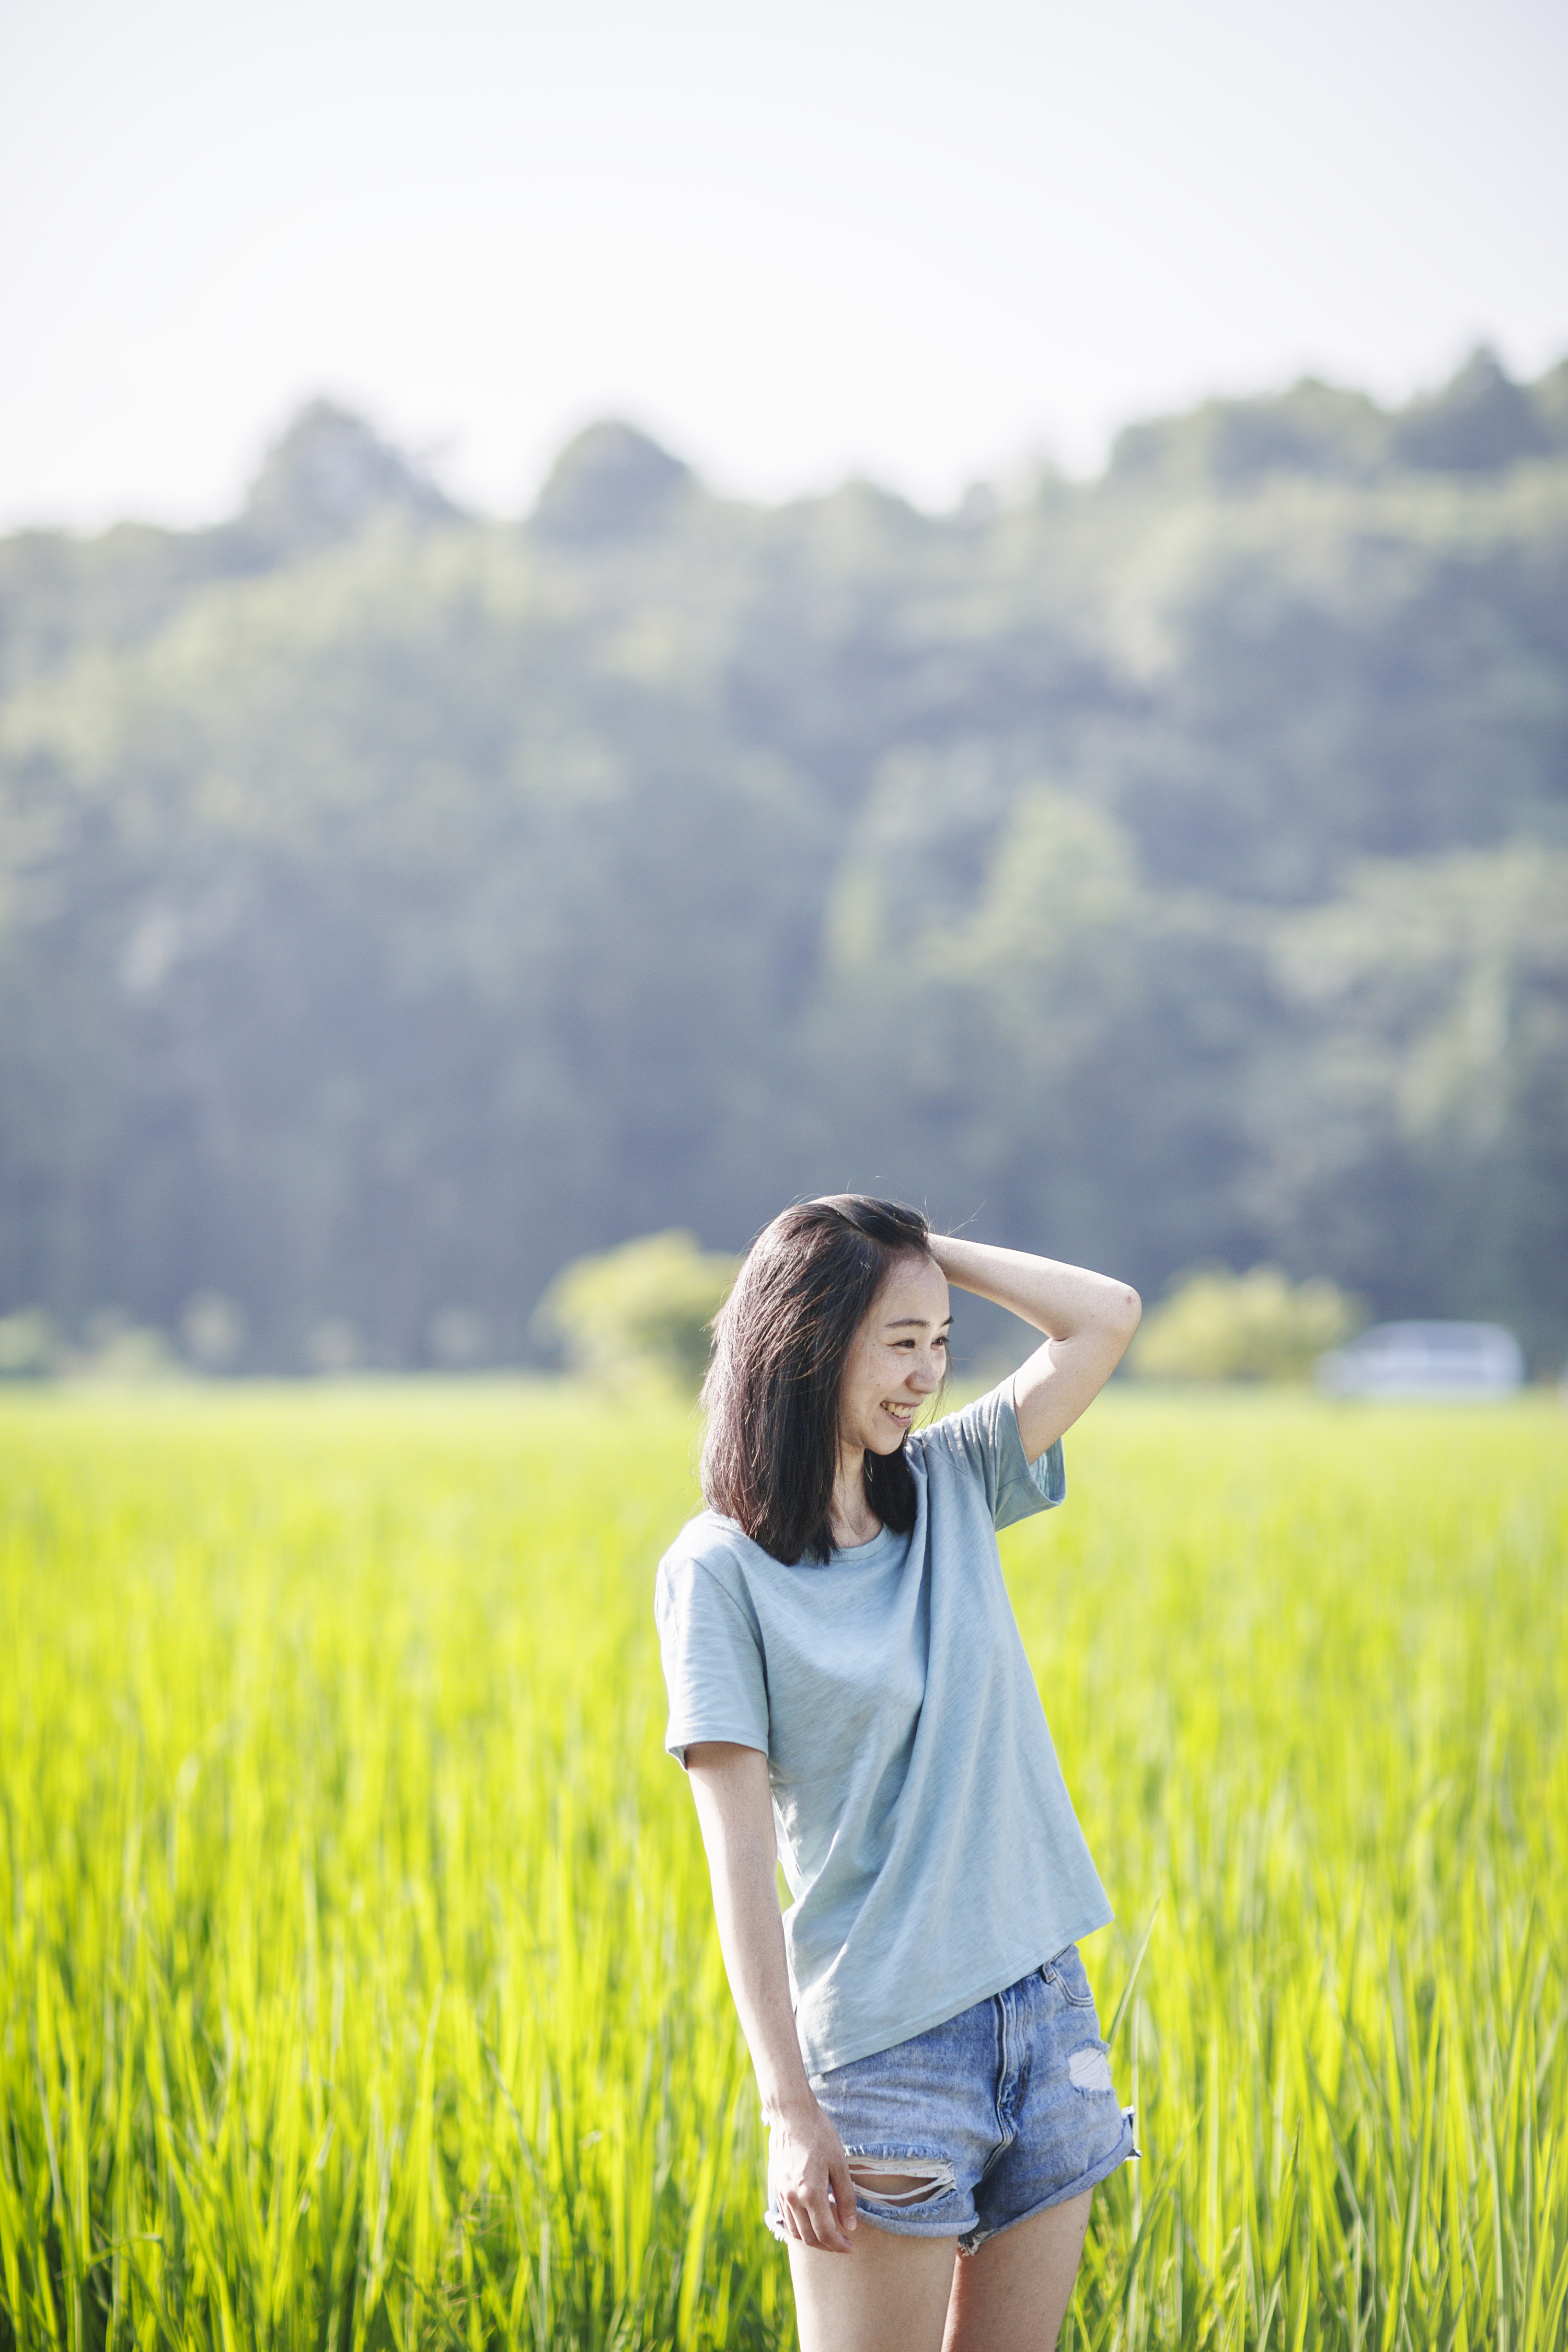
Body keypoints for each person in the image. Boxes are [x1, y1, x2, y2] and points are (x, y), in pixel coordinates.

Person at [654, 1196, 1142, 2352]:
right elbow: (735, 1869)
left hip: (1043, 2009)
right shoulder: (719, 1571)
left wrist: (912, 1256)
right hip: (887, 2049)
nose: (927, 1373)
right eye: (898, 1340)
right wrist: (788, 2107)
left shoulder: (956, 1484)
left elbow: (1106, 1318)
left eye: (941, 1341)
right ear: (809, 1340)